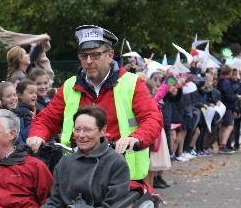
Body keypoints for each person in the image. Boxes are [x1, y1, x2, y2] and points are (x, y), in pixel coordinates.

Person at [26, 25, 162, 182]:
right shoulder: (70, 86)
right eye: (84, 56)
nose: (89, 61)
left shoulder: (132, 83)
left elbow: (152, 118)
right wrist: (37, 135)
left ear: (110, 55)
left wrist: (136, 138)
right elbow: (46, 119)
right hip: (77, 170)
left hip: (121, 174)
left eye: (95, 55)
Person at [12, 106, 130, 208]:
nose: (81, 135)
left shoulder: (116, 163)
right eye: (77, 129)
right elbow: (55, 202)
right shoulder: (65, 162)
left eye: (88, 130)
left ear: (103, 131)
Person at [217, 65, 240, 153]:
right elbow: (229, 96)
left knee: (224, 126)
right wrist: (236, 97)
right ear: (229, 72)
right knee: (229, 126)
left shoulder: (222, 81)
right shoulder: (226, 82)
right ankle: (223, 145)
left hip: (224, 106)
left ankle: (222, 145)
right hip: (226, 106)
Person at [12, 79, 37, 144]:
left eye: (35, 93)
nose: (35, 95)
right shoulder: (20, 113)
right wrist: (34, 121)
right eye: (31, 93)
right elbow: (25, 136)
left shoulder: (30, 110)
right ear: (19, 95)